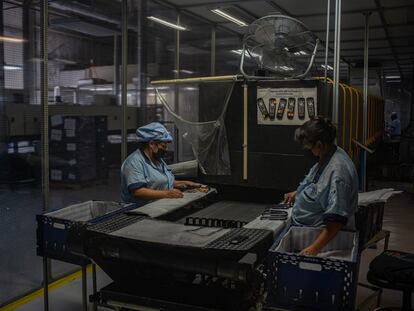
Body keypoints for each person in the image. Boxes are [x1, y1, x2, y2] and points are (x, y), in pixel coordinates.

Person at [283, 116, 358, 256]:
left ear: (319, 144)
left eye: (309, 147)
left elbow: (336, 221)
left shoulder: (338, 172)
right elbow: (317, 184)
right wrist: (297, 193)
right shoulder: (329, 154)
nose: (307, 150)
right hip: (305, 228)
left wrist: (314, 248)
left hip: (319, 237)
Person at [121, 122, 200, 205]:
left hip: (158, 206)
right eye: (163, 146)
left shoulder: (157, 160)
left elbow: (160, 181)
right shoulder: (134, 162)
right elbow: (138, 192)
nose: (165, 150)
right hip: (140, 211)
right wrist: (167, 194)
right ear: (151, 144)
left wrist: (184, 183)